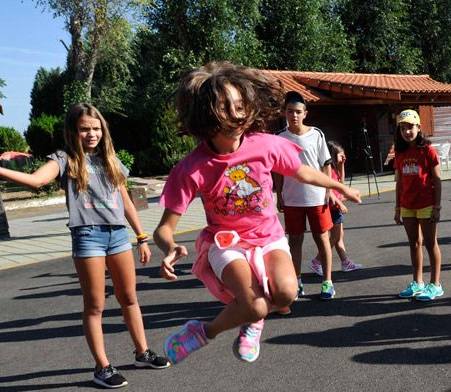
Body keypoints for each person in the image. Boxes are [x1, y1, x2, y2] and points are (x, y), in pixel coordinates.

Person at [154, 62, 361, 364]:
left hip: (269, 237)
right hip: (227, 243)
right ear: (207, 113)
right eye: (227, 108)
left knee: (287, 294)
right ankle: (203, 332)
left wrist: (338, 187)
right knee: (256, 306)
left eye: (240, 105)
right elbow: (164, 228)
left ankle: (253, 320)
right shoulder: (192, 167)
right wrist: (169, 247)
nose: (237, 115)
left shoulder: (265, 145)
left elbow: (303, 172)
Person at [0, 103, 169, 389]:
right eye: (84, 129)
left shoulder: (110, 159)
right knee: (95, 305)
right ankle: (102, 367)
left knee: (129, 298)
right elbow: (35, 181)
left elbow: (125, 200)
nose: (91, 134)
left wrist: (141, 236)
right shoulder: (64, 159)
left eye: (96, 128)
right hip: (88, 236)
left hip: (118, 235)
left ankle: (142, 352)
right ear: (73, 131)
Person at [276, 91, 337, 301]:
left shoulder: (316, 134)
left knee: (322, 240)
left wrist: (329, 191)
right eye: (290, 111)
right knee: (294, 241)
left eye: (298, 112)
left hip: (317, 197)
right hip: (292, 199)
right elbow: (277, 171)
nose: (294, 115)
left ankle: (327, 282)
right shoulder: (279, 138)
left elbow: (326, 164)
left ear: (305, 114)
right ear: (284, 113)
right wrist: (279, 195)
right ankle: (298, 281)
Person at [391, 109, 444, 301]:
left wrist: (437, 207)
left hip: (427, 205)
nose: (407, 132)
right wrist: (397, 208)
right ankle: (417, 282)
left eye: (410, 127)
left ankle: (435, 284)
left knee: (430, 244)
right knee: (414, 244)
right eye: (403, 128)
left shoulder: (428, 150)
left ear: (419, 127)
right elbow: (399, 183)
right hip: (407, 206)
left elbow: (437, 180)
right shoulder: (400, 152)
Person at [312, 140, 363, 278]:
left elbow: (341, 184)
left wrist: (342, 165)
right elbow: (330, 192)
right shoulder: (326, 171)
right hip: (332, 207)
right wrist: (340, 204)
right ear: (333, 155)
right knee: (335, 236)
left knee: (339, 237)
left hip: (335, 207)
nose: (343, 157)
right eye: (341, 156)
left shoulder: (335, 170)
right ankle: (317, 261)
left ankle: (345, 262)